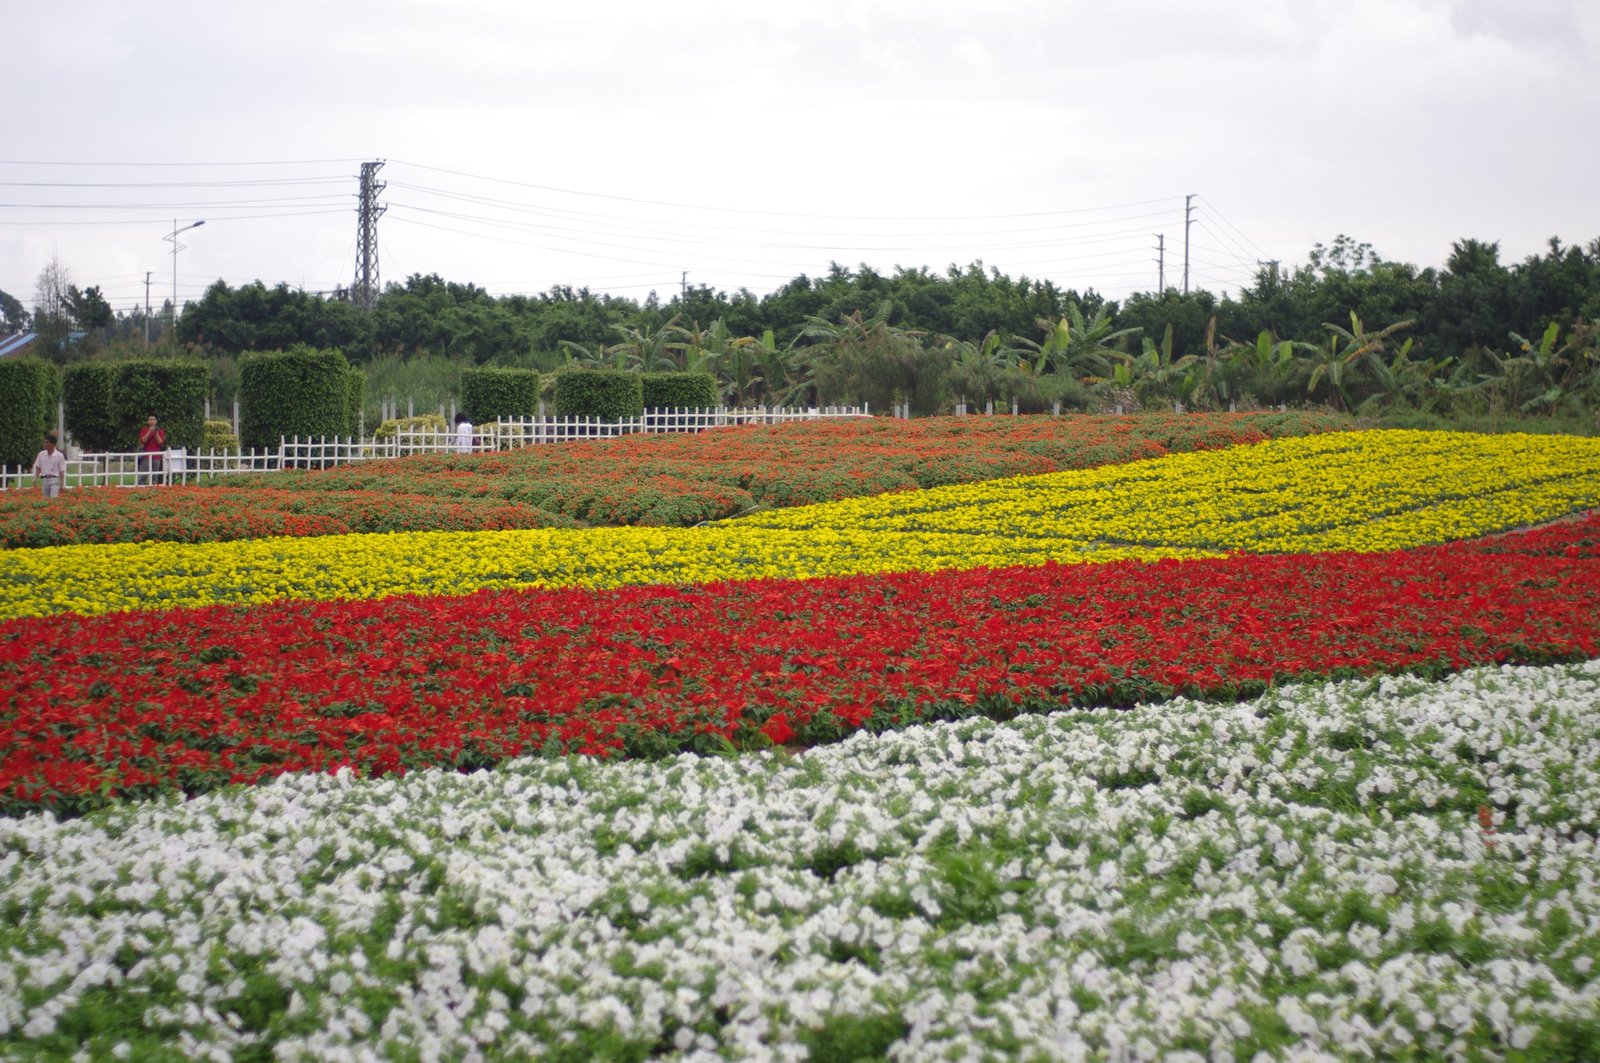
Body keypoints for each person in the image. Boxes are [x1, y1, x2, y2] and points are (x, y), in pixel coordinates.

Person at [33, 432, 66, 498]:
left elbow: (61, 471)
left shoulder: (59, 456)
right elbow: (38, 467)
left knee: (53, 499)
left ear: (53, 444)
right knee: (45, 499)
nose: (45, 444)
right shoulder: (41, 454)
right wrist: (35, 478)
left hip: (54, 480)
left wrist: (62, 484)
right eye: (44, 442)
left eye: (47, 443)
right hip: (44, 479)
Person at [137, 414, 166, 485]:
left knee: (154, 477)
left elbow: (160, 442)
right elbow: (143, 440)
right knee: (142, 476)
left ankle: (153, 490)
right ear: (148, 421)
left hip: (156, 457)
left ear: (156, 421)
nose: (152, 421)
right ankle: (140, 489)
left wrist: (156, 432)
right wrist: (149, 431)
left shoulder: (160, 431)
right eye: (150, 419)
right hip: (146, 457)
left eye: (153, 419)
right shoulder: (144, 429)